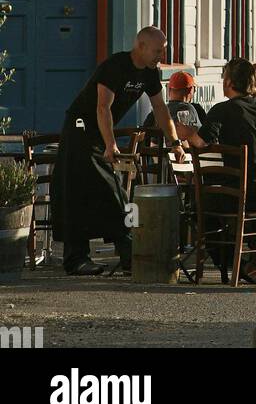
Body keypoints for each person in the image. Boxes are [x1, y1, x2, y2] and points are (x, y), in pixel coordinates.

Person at [52, 26, 187, 277]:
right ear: (141, 46)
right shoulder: (115, 66)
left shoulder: (150, 73)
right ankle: (80, 259)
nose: (161, 56)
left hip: (102, 135)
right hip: (80, 130)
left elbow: (160, 109)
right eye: (158, 51)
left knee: (114, 195)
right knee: (84, 192)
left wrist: (175, 142)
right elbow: (102, 107)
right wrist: (111, 143)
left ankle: (129, 255)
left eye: (163, 51)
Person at [183, 58, 256, 283]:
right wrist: (252, 85)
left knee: (202, 205)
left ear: (227, 82)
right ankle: (254, 248)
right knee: (225, 201)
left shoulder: (222, 110)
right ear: (251, 83)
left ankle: (236, 264)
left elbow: (200, 142)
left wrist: (185, 133)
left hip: (245, 197)